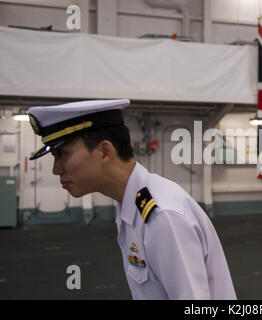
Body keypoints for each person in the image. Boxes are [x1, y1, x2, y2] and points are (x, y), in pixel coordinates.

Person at [27, 99, 236, 300]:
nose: (56, 169)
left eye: (62, 154)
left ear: (104, 151)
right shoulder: (133, 204)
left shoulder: (162, 217)